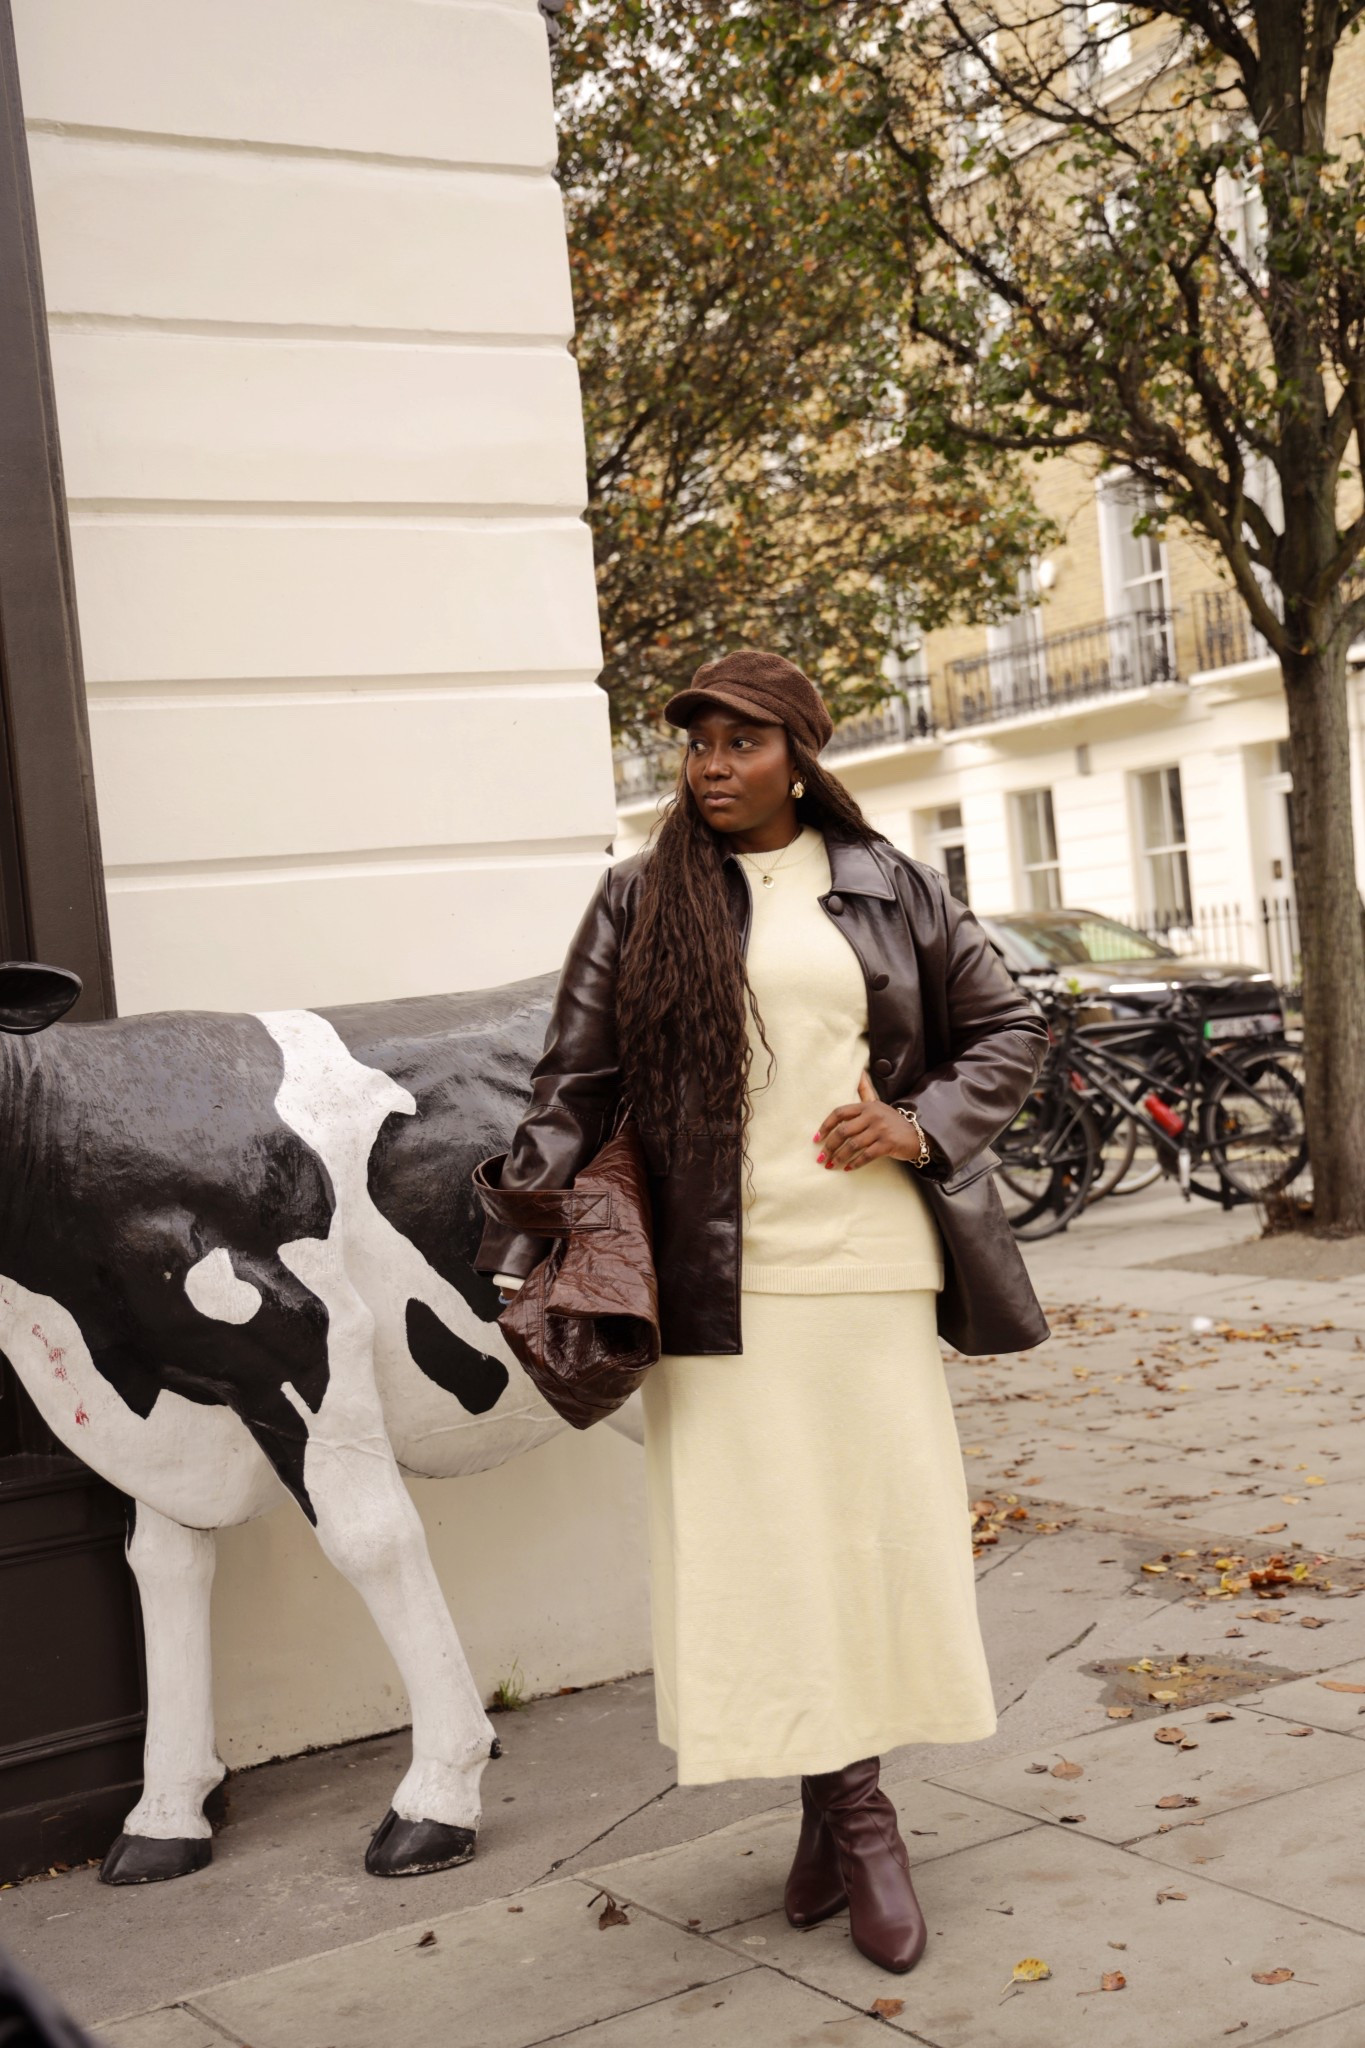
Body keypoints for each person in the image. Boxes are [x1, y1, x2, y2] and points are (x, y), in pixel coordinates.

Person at [474, 649, 1049, 1975]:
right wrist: (514, 1247)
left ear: (797, 751)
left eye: (740, 743)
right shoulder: (636, 899)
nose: (712, 767)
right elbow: (573, 1081)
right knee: (764, 1557)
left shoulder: (884, 884)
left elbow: (1009, 1025)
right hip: (711, 1288)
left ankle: (841, 1813)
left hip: (864, 1270)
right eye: (696, 745)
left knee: (858, 1546)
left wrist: (918, 1121)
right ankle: (852, 1817)